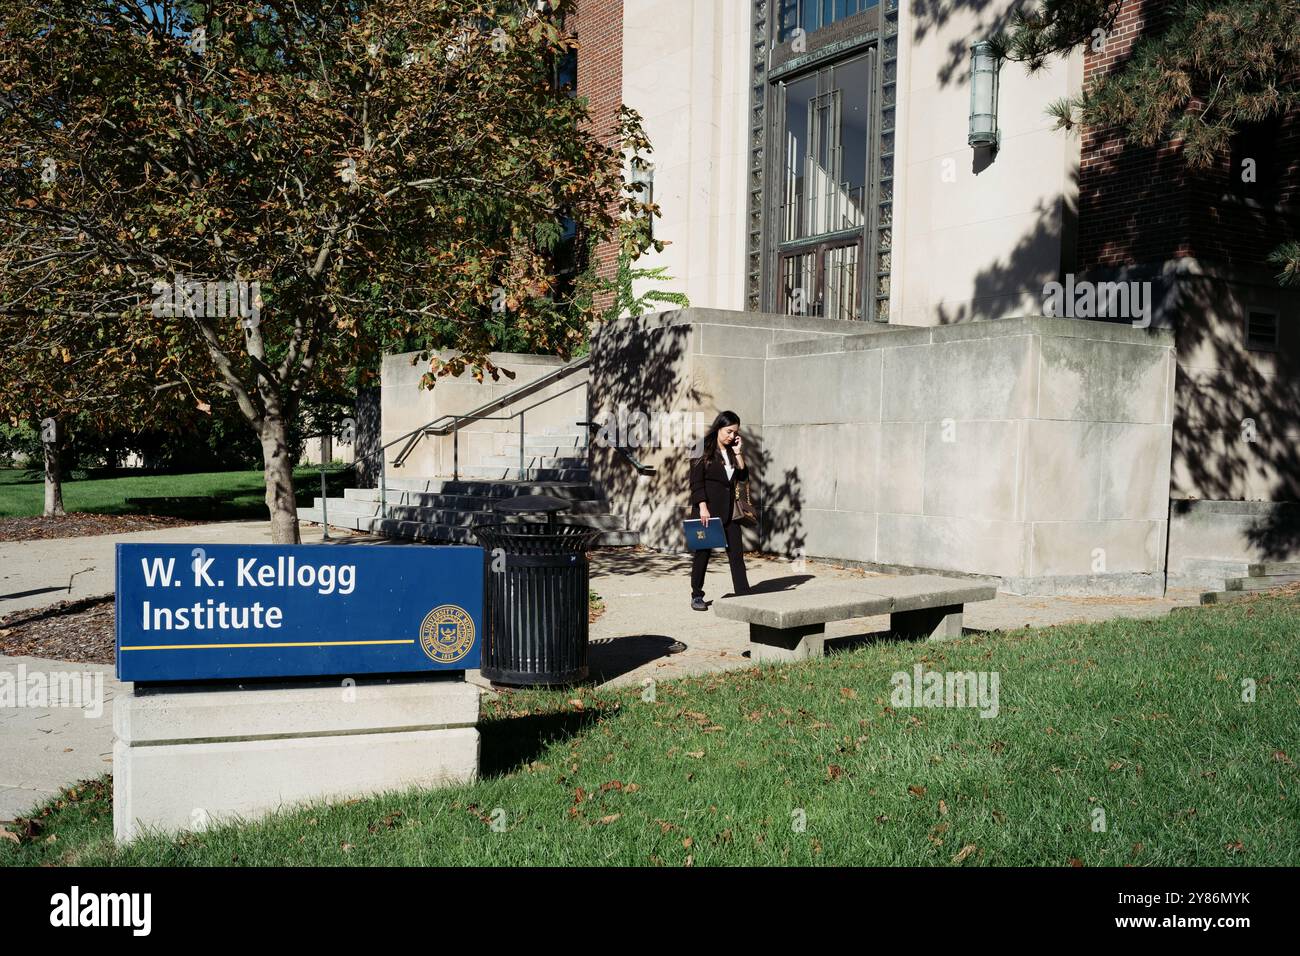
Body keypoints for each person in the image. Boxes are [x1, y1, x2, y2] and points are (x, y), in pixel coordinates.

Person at [687, 410, 753, 610]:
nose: (732, 436)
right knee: (703, 553)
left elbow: (742, 478)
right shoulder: (700, 447)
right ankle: (697, 595)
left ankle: (743, 594)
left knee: (736, 555)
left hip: (730, 512)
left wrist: (739, 451)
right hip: (707, 510)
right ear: (718, 427)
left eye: (735, 433)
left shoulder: (733, 450)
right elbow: (696, 482)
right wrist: (703, 507)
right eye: (728, 431)